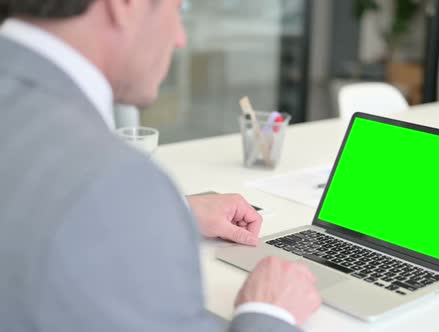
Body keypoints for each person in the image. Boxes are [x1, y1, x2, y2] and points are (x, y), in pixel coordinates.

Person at [0, 1, 321, 331]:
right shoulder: (110, 176)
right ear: (125, 5)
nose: (180, 38)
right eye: (177, 11)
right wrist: (269, 314)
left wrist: (171, 211)